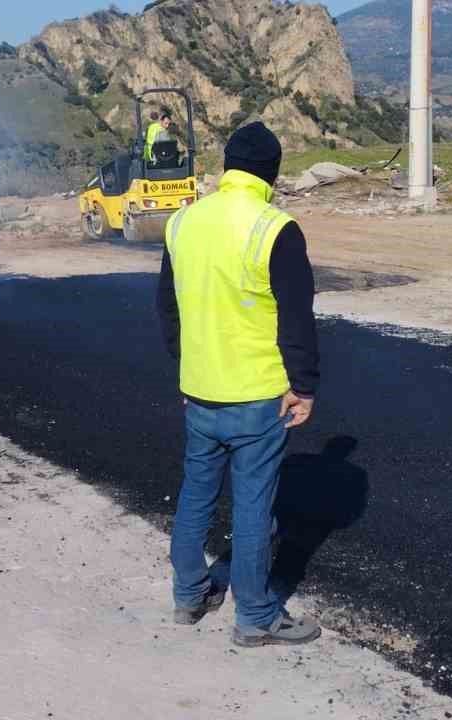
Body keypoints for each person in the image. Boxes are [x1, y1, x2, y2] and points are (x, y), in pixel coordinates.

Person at [156, 121, 321, 648]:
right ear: (271, 173)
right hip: (256, 397)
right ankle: (255, 617)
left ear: (226, 166)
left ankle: (189, 596)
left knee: (196, 496)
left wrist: (187, 369)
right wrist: (305, 386)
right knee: (253, 509)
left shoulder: (182, 222)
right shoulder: (275, 227)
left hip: (200, 392)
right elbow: (296, 319)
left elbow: (169, 307)